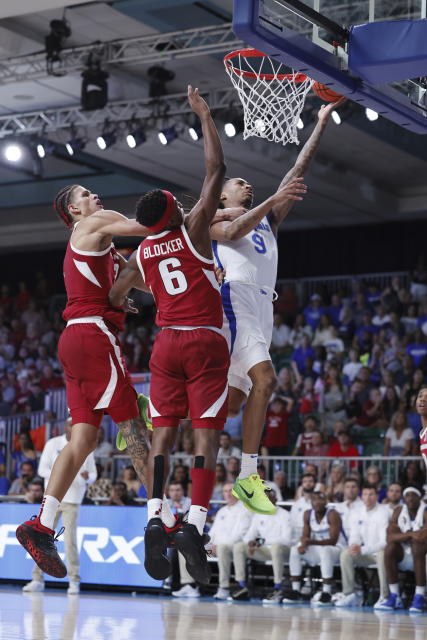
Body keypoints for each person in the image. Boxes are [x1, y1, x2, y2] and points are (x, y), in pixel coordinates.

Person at [108, 87, 305, 583]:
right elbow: (214, 172)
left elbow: (114, 294)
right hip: (204, 340)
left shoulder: (144, 253)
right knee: (207, 432)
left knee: (164, 433)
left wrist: (125, 301)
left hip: (163, 345)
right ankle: (194, 522)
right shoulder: (192, 230)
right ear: (175, 211)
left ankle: (155, 514)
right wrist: (205, 119)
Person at [16, 163, 155, 578]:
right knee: (134, 432)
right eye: (86, 195)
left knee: (82, 439)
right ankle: (164, 518)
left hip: (74, 340)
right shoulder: (96, 223)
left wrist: (128, 294)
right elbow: (149, 228)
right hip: (94, 337)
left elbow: (142, 278)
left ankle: (40, 523)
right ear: (74, 211)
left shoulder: (105, 252)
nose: (95, 198)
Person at [209, 100, 343, 514]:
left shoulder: (265, 219)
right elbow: (232, 230)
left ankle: (156, 408)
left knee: (229, 406)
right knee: (266, 381)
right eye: (241, 183)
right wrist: (268, 202)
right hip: (236, 299)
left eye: (250, 185)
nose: (248, 187)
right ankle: (249, 476)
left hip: (263, 307)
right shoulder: (212, 215)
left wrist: (320, 122)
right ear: (224, 191)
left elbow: (296, 172)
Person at [22, 418, 96, 594]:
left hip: (73, 499)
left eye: (77, 425)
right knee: (40, 539)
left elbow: (93, 474)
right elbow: (42, 470)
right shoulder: (53, 443)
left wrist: (88, 477)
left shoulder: (86, 445)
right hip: (52, 499)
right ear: (65, 426)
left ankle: (74, 580)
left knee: (70, 541)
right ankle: (37, 579)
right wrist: (64, 473)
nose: (74, 428)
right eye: (71, 425)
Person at [284, 491, 344, 605]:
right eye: (314, 500)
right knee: (295, 550)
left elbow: (333, 540)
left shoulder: (332, 514)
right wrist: (303, 544)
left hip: (336, 550)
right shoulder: (307, 514)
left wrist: (310, 542)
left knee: (326, 550)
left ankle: (326, 592)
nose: (317, 503)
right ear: (311, 502)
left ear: (325, 502)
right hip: (318, 549)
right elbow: (305, 535)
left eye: (320, 500)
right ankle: (296, 590)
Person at [231, 491, 291, 603]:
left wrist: (261, 542)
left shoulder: (285, 515)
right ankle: (242, 586)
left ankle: (278, 588)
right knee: (239, 547)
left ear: (275, 500)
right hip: (265, 551)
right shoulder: (258, 515)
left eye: (269, 498)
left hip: (284, 551)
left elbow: (286, 540)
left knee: (275, 547)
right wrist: (251, 543)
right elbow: (249, 535)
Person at [335, 484, 389, 608]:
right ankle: (349, 594)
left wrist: (363, 549)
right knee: (346, 554)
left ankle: (384, 596)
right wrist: (354, 545)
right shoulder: (357, 512)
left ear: (376, 496)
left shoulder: (383, 512)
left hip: (380, 553)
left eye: (371, 494)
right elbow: (354, 535)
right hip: (365, 553)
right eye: (365, 494)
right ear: (361, 496)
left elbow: (384, 542)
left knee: (382, 554)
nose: (368, 497)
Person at [377, 487, 427, 613]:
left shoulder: (425, 510)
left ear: (419, 497)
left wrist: (404, 536)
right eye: (407, 495)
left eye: (413, 495)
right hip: (405, 554)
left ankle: (420, 596)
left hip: (423, 555)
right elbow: (390, 537)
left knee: (418, 545)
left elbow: (422, 537)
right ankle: (395, 596)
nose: (410, 498)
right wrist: (411, 534)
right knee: (390, 548)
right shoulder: (398, 511)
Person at [209, 483, 252, 600]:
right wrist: (209, 545)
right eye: (225, 491)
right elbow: (212, 532)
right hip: (216, 547)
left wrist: (217, 545)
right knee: (188, 548)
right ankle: (189, 585)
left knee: (222, 548)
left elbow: (241, 534)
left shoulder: (245, 509)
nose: (228, 494)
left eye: (231, 490)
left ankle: (224, 588)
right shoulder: (221, 511)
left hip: (234, 546)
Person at [333, 476, 364, 541]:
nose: (350, 490)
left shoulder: (364, 506)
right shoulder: (338, 507)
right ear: (344, 489)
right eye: (347, 487)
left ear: (359, 489)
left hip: (358, 542)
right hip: (340, 542)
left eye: (353, 487)